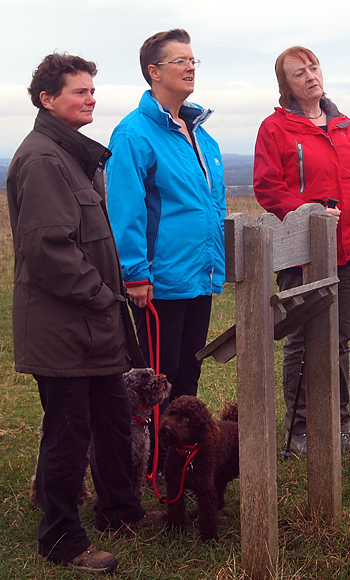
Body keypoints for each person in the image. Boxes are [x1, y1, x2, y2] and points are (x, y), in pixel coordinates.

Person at [6, 52, 162, 574]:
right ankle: (60, 537)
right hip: (64, 327)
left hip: (93, 326)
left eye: (92, 90)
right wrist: (102, 295)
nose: (90, 98)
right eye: (79, 91)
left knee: (114, 420)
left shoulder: (72, 155)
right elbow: (48, 249)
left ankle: (121, 512)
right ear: (47, 99)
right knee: (68, 432)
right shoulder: (44, 160)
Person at [252, 46, 350, 456]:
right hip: (303, 250)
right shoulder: (275, 128)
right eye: (297, 72)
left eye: (313, 67)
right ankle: (301, 431)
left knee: (339, 337)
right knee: (303, 339)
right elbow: (268, 187)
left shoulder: (344, 125)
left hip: (349, 249)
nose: (309, 76)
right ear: (285, 85)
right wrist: (307, 214)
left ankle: (338, 425)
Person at [106, 29, 225, 427]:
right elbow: (126, 209)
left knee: (189, 372)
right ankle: (152, 463)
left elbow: (210, 205)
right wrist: (135, 273)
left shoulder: (199, 132)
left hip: (199, 275)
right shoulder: (133, 133)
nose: (191, 67)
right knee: (159, 378)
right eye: (181, 61)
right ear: (154, 72)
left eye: (193, 60)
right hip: (160, 278)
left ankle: (180, 460)